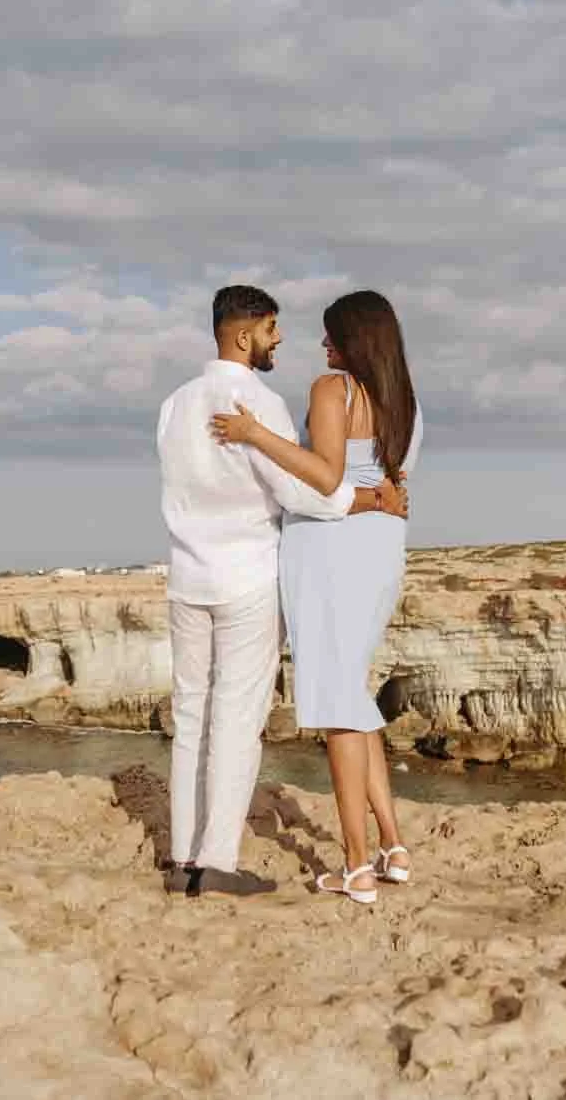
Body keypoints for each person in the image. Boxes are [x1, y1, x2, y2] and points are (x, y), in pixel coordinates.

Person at [156, 285, 408, 897]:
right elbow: (302, 491)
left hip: (186, 577)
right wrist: (372, 498)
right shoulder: (261, 403)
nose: (280, 340)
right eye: (272, 329)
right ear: (245, 336)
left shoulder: (174, 405)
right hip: (246, 578)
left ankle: (184, 857)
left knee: (191, 715)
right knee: (236, 719)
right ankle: (216, 862)